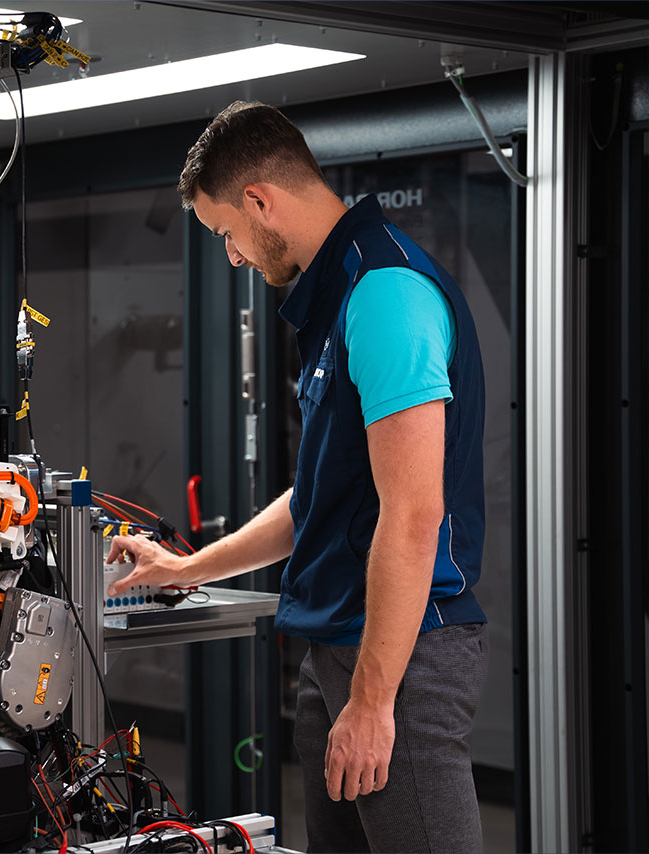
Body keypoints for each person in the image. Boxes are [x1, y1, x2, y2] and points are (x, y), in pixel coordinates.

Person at [106, 101, 488, 853]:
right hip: (338, 652)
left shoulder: (385, 292)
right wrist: (187, 566)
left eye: (225, 234)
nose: (233, 256)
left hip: (397, 660)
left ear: (259, 200)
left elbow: (412, 513)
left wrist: (376, 700)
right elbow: (321, 496)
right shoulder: (340, 297)